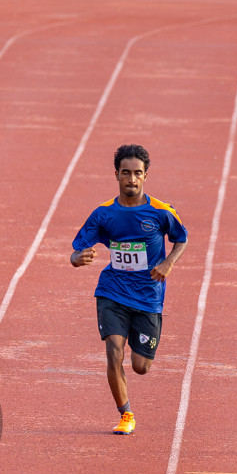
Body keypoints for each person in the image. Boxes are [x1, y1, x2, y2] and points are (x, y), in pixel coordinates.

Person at [69, 144, 188, 436]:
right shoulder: (104, 214)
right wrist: (77, 259)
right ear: (116, 175)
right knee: (113, 351)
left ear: (146, 176)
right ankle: (126, 414)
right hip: (112, 290)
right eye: (126, 173)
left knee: (141, 366)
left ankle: (142, 351)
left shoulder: (161, 212)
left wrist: (169, 263)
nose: (131, 179)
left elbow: (181, 239)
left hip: (149, 297)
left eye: (137, 173)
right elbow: (77, 249)